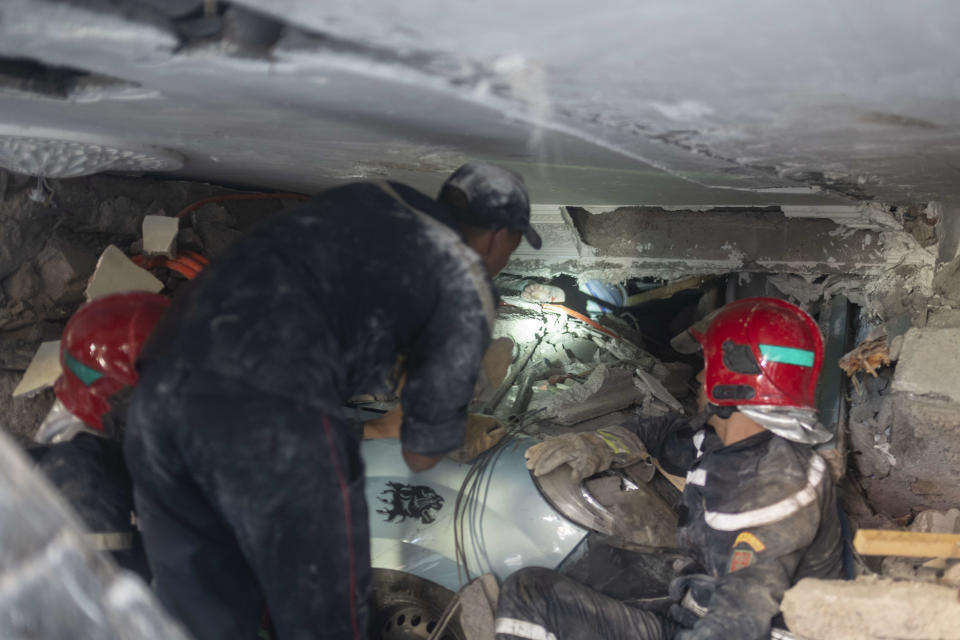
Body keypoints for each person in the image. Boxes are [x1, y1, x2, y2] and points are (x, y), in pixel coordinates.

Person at [122, 163, 540, 640]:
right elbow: (423, 449)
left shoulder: (370, 197)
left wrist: (377, 416)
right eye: (513, 243)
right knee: (321, 609)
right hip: (271, 403)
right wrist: (468, 394)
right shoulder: (463, 277)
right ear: (498, 237)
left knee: (193, 609)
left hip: (160, 388)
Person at [497, 297, 843, 640]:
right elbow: (661, 433)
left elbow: (739, 622)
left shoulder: (775, 488)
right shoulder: (724, 440)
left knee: (544, 601)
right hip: (694, 607)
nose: (698, 374)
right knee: (530, 591)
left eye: (706, 365)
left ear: (733, 378)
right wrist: (602, 444)